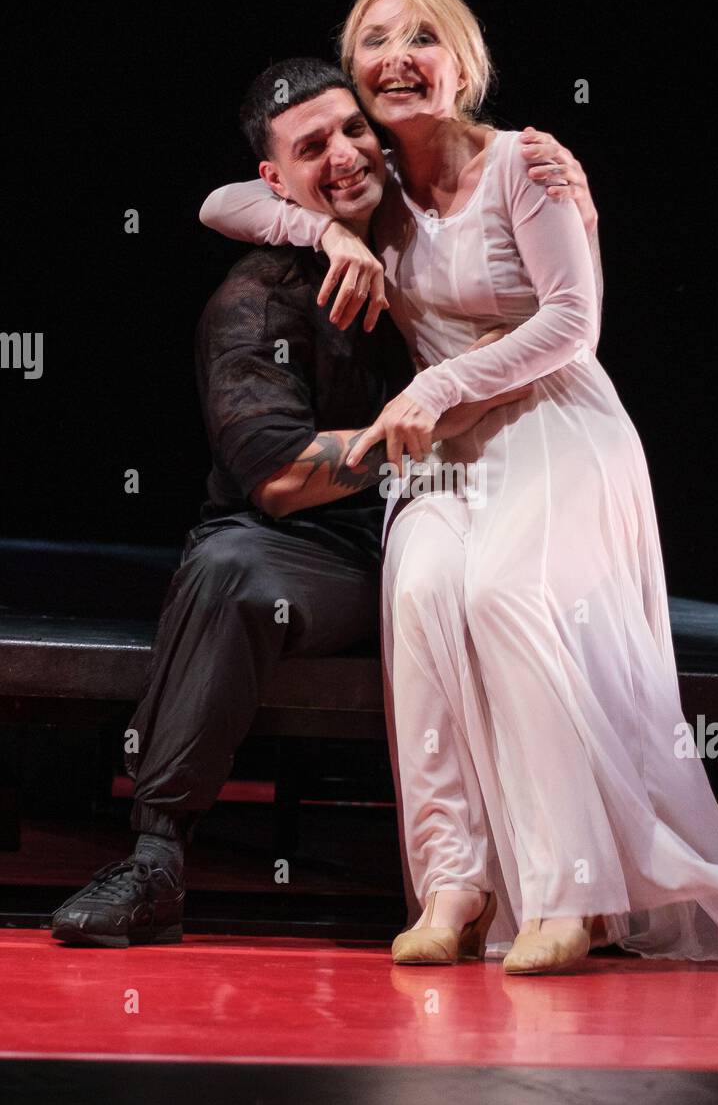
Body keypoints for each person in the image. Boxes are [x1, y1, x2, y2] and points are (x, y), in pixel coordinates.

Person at [199, 0, 718, 972]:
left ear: (462, 65)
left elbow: (572, 323)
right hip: (447, 449)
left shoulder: (526, 164)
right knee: (419, 595)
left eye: (422, 36)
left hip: (554, 428)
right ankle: (453, 884)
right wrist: (328, 227)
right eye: (375, 41)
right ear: (357, 73)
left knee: (505, 595)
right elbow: (225, 202)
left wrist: (441, 382)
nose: (398, 56)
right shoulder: (374, 195)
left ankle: (565, 893)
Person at [51, 56, 582, 947]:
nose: (342, 154)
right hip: (315, 545)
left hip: (453, 508)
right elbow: (284, 478)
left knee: (515, 586)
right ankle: (155, 860)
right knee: (231, 572)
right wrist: (432, 422)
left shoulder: (422, 226)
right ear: (279, 182)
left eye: (352, 130)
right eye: (311, 148)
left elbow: (548, 280)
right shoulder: (254, 302)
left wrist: (561, 187)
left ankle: (558, 885)